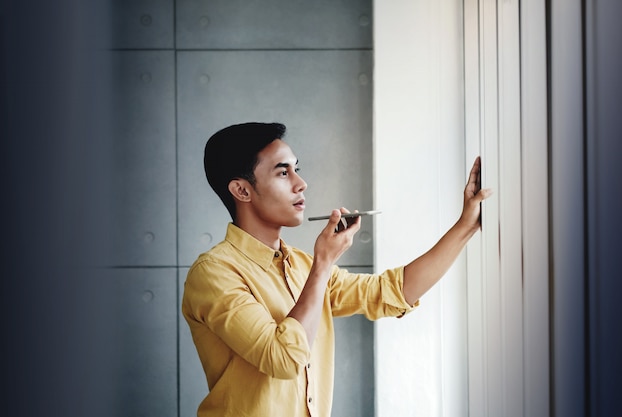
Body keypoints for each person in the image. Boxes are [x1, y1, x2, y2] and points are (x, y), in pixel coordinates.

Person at [182, 122, 492, 417]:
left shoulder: (302, 265)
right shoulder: (213, 274)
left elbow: (394, 291)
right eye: (282, 172)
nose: (301, 183)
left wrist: (465, 225)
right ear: (242, 191)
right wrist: (323, 265)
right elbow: (283, 358)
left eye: (296, 169)